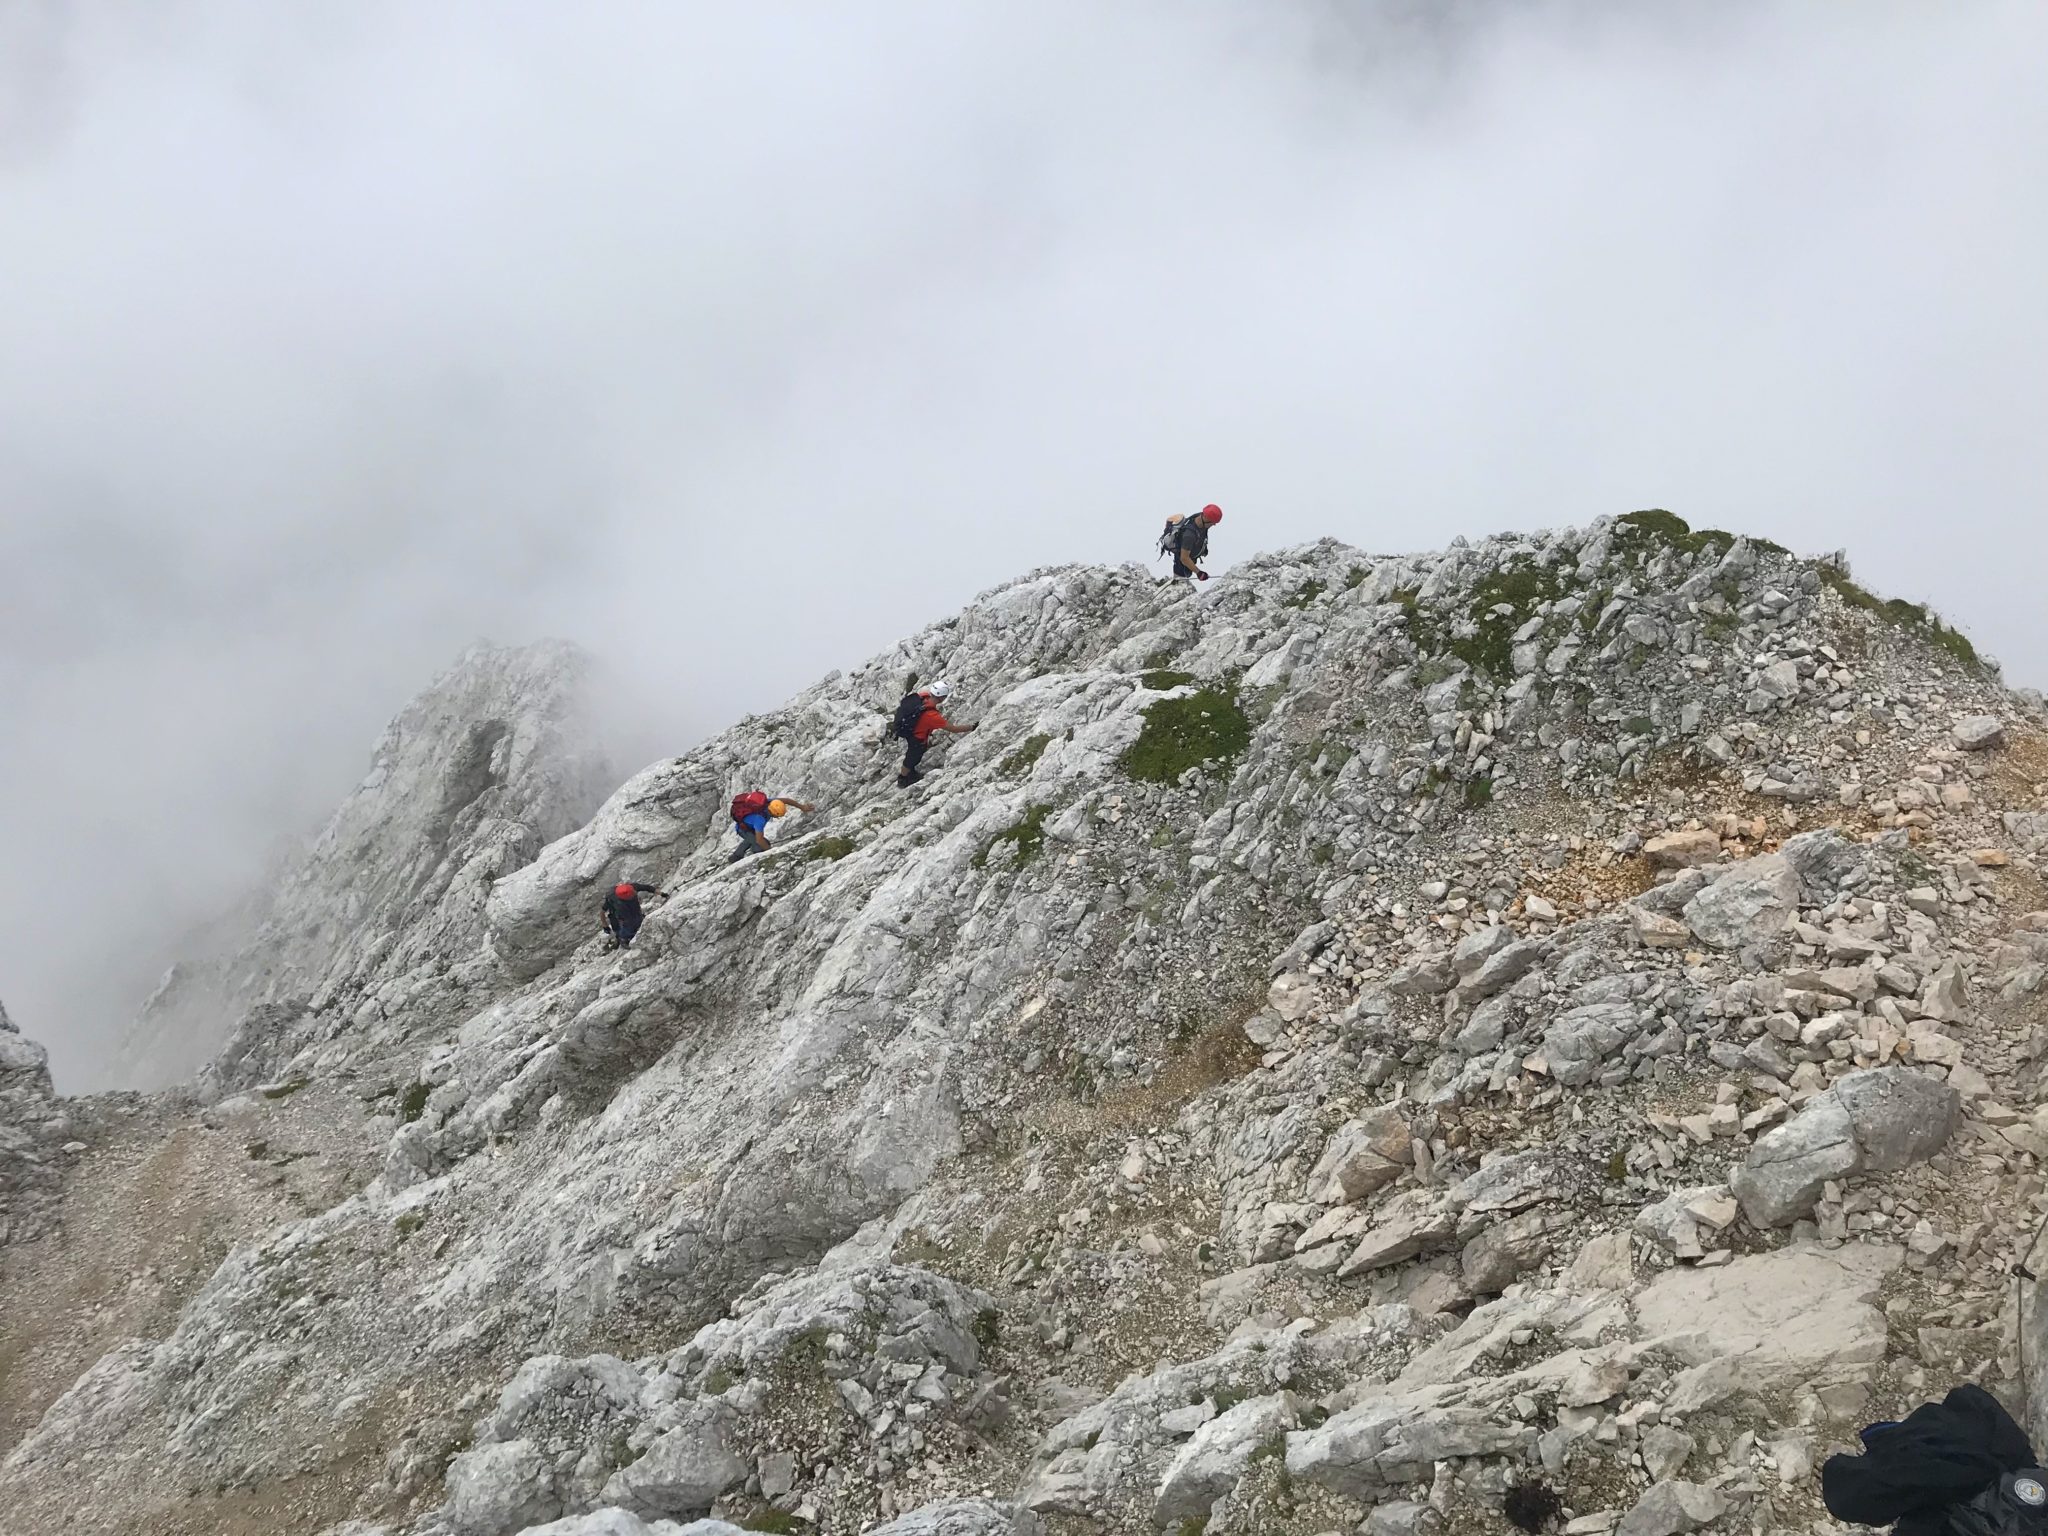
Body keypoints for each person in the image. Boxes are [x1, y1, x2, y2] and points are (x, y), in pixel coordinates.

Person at [893, 680, 977, 787]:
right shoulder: (932, 716)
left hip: (912, 732)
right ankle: (903, 779)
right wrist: (972, 727)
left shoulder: (923, 696)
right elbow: (954, 729)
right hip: (917, 738)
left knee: (914, 756)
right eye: (944, 696)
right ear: (941, 698)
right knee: (912, 758)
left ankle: (910, 772)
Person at [729, 791, 815, 862]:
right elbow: (759, 840)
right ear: (774, 813)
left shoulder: (770, 803)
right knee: (760, 846)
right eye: (778, 816)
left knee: (753, 839)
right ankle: (754, 860)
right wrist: (772, 852)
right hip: (743, 829)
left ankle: (735, 857)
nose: (778, 817)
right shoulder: (760, 819)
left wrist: (802, 807)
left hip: (748, 826)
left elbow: (786, 800)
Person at [1159, 503, 1223, 583]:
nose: (1214, 524)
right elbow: (1184, 558)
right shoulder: (1189, 535)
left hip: (1189, 560)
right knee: (1180, 584)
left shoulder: (1200, 518)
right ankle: (1176, 583)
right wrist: (1199, 573)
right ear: (1205, 517)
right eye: (1213, 522)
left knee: (1183, 580)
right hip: (1182, 565)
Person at [601, 880, 666, 949]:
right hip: (622, 916)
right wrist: (605, 925)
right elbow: (602, 911)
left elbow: (647, 888)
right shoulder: (613, 899)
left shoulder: (631, 887)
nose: (635, 893)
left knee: (637, 920)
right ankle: (623, 939)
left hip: (633, 910)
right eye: (633, 894)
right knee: (628, 925)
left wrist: (662, 894)